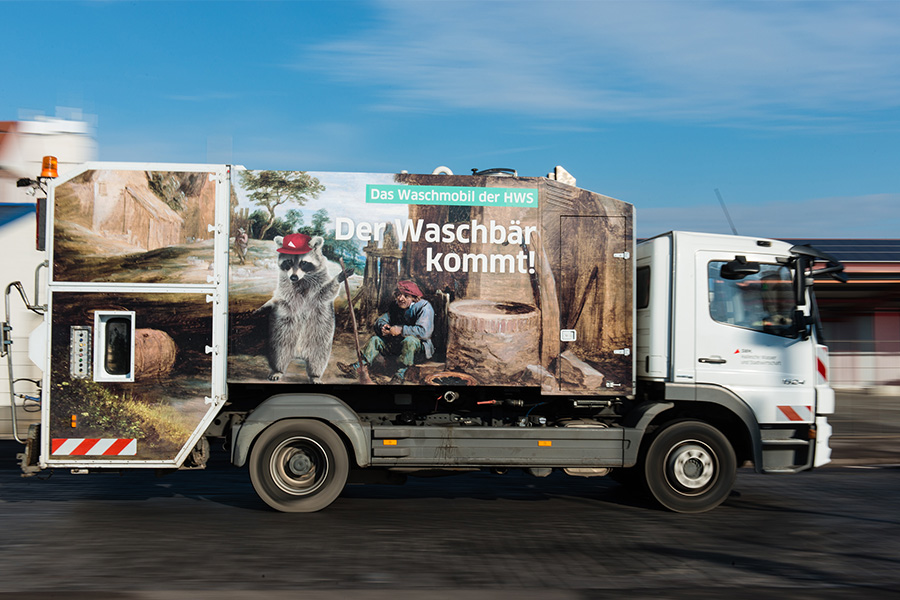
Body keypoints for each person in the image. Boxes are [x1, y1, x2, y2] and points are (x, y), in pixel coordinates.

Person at [339, 280, 434, 383]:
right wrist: (383, 326)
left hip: (418, 351)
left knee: (410, 341)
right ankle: (358, 367)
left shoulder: (424, 307)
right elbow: (382, 319)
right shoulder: (395, 306)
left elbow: (425, 331)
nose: (400, 298)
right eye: (398, 295)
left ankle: (400, 374)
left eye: (406, 296)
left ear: (414, 298)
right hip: (397, 346)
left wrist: (401, 330)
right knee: (375, 340)